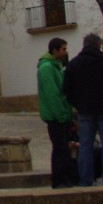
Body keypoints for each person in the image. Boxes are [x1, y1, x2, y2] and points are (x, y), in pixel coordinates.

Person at [62, 33, 103, 186]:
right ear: (98, 45)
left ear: (84, 45)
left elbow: (66, 89)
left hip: (84, 111)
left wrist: (77, 104)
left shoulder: (74, 64)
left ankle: (85, 180)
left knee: (85, 146)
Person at [37, 36, 76, 189]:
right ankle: (58, 181)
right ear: (55, 50)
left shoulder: (56, 66)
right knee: (59, 150)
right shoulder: (46, 68)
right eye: (63, 49)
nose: (66, 52)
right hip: (55, 117)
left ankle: (65, 180)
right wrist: (61, 115)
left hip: (62, 115)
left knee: (64, 149)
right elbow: (52, 94)